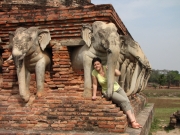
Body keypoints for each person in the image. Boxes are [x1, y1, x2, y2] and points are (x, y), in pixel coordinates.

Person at [91, 57, 142, 129]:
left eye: (98, 64)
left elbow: (118, 73)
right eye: (95, 65)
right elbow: (95, 84)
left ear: (101, 64)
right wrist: (94, 95)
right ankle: (133, 122)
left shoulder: (106, 68)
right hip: (108, 91)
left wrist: (112, 69)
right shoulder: (94, 72)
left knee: (127, 101)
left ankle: (134, 121)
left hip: (117, 88)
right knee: (124, 101)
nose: (96, 66)